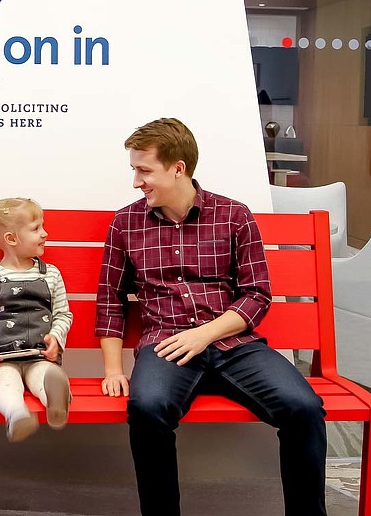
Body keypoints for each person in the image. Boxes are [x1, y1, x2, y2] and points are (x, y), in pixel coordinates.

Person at [95, 118, 327, 516]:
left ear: (178, 168)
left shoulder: (233, 215)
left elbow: (257, 295)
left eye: (144, 170)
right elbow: (111, 301)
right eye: (135, 170)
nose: (136, 181)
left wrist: (204, 334)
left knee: (303, 408)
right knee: (147, 408)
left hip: (235, 345)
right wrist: (114, 368)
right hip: (165, 344)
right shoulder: (126, 223)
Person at [0, 197, 73, 442]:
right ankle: (16, 414)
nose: (45, 233)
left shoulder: (51, 274)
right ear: (12, 239)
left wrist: (56, 337)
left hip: (38, 355)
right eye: (36, 229)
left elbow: (63, 314)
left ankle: (55, 401)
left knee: (42, 377)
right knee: (8, 383)